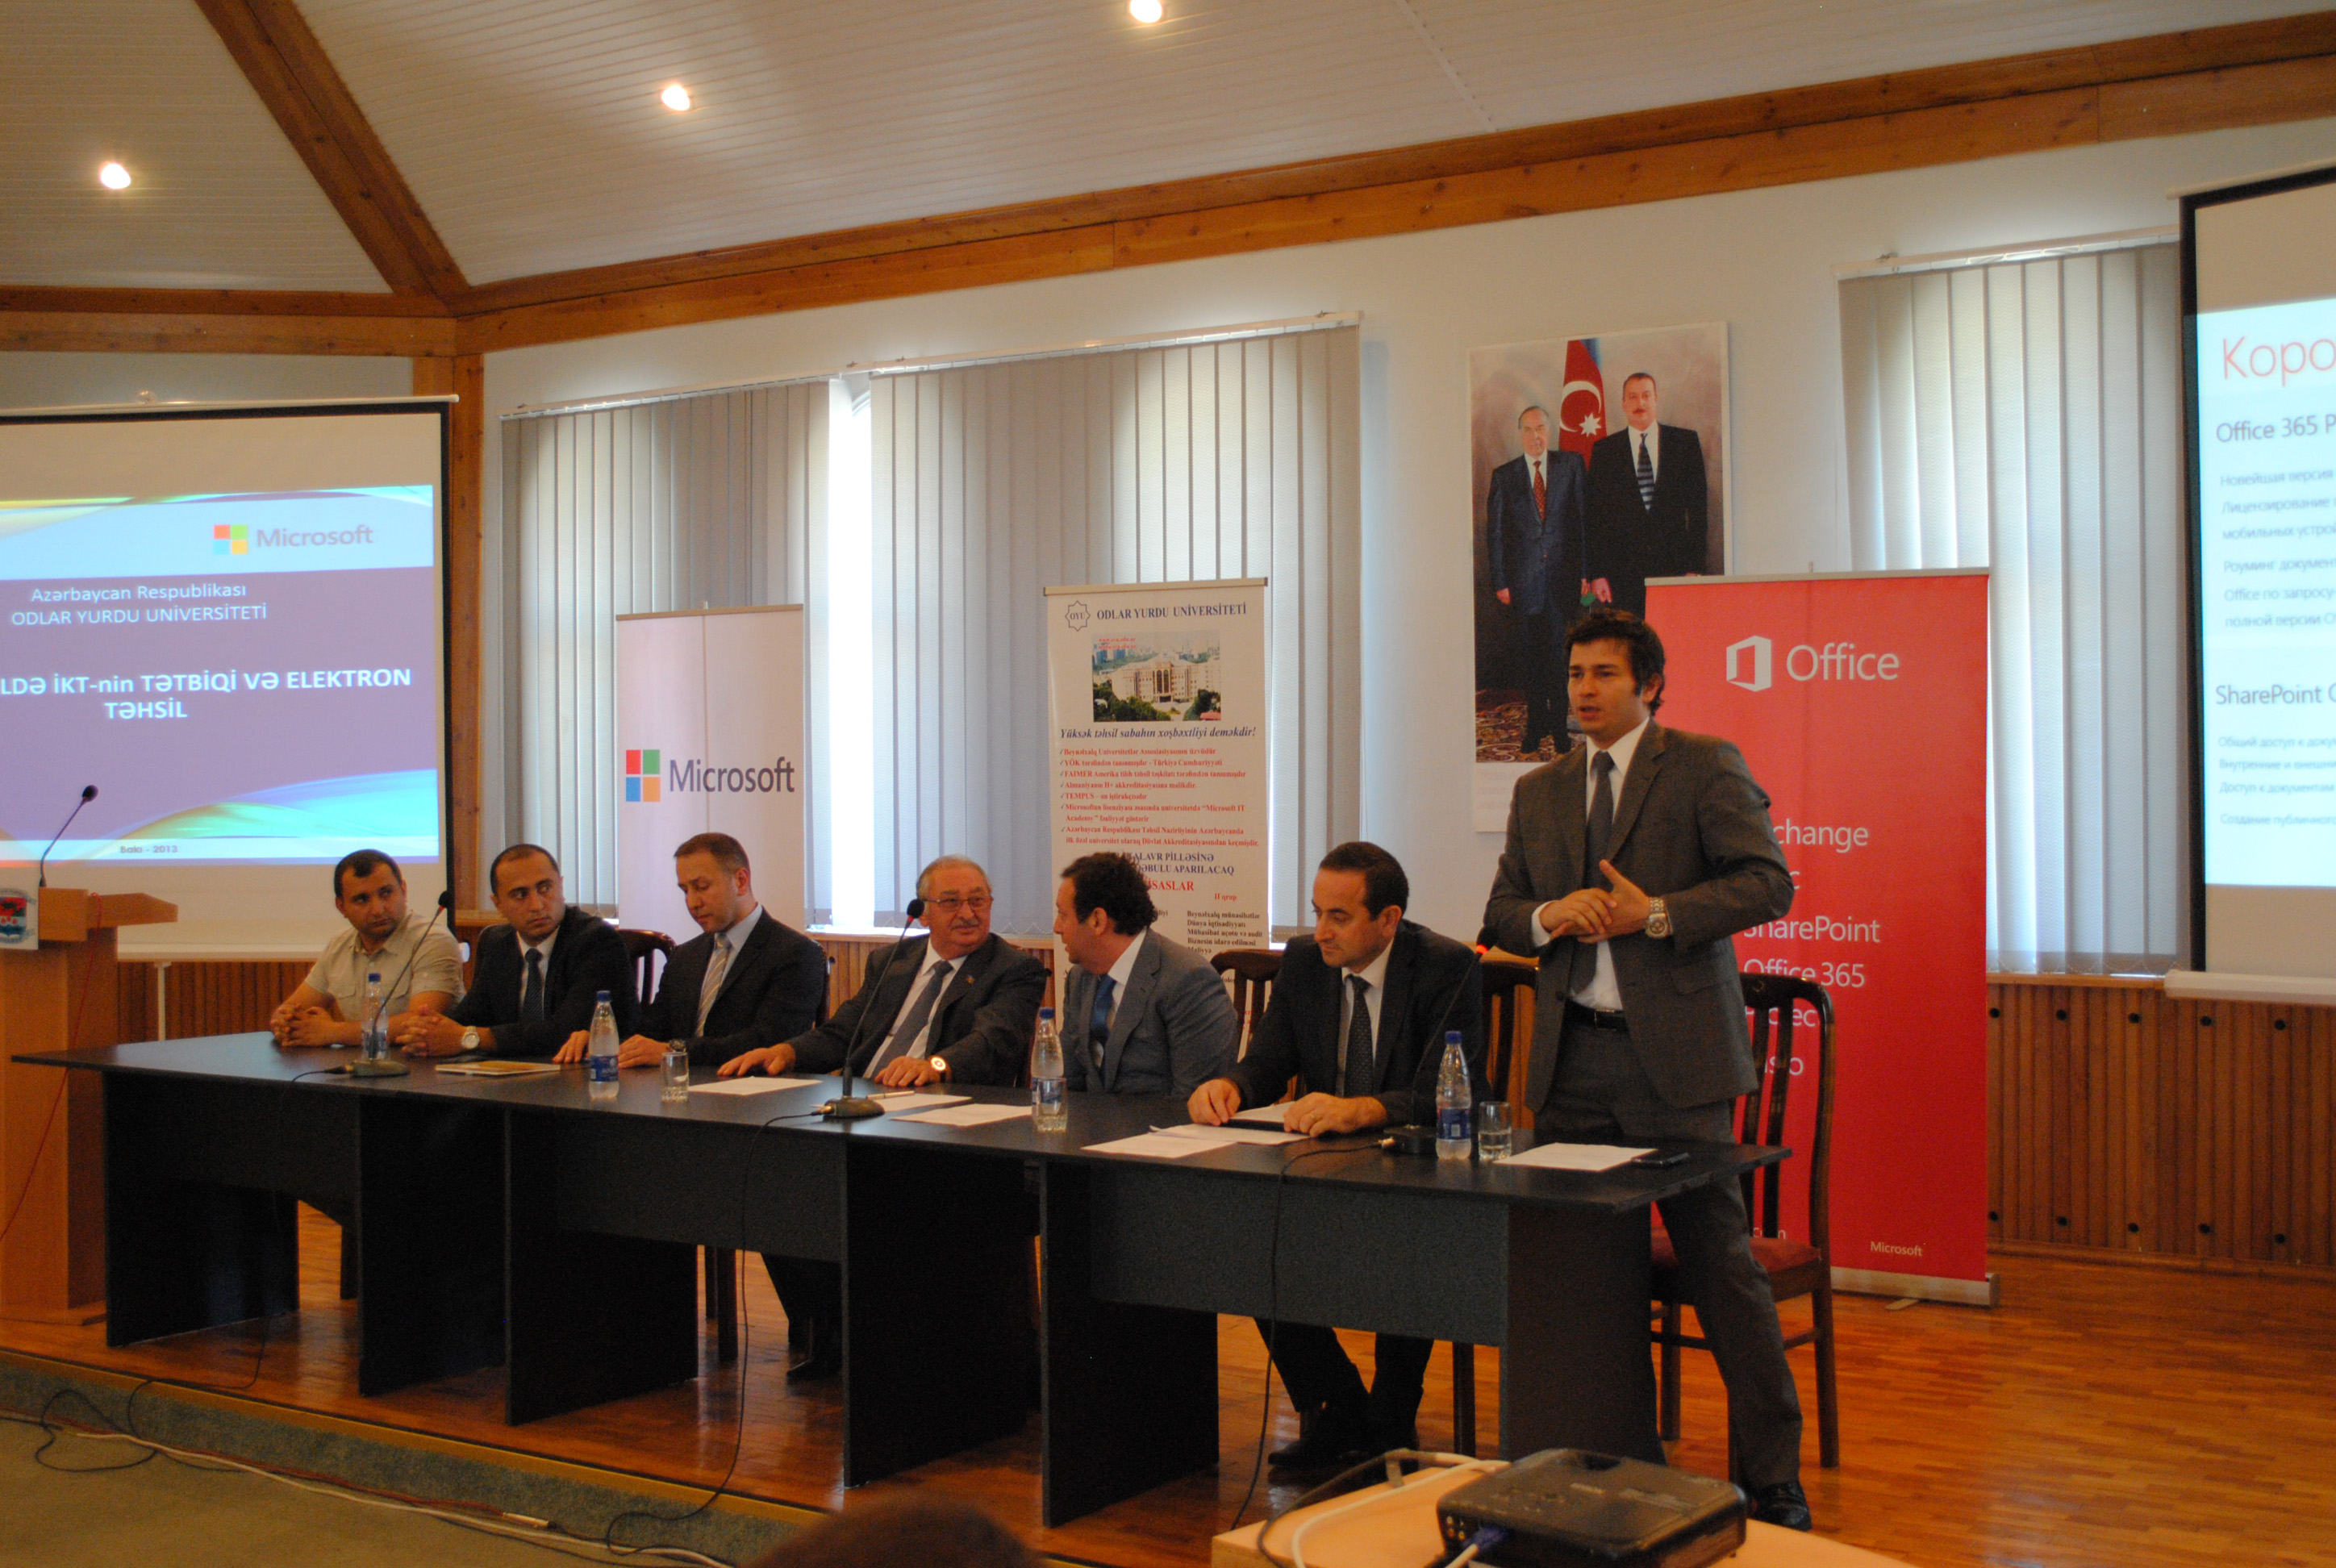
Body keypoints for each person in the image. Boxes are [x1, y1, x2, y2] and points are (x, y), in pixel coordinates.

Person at [1479, 607, 1809, 1531]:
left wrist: (1653, 914)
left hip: (1676, 1067)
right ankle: (1615, 1458)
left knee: (1722, 1271)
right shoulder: (1540, 789)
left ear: (1649, 685)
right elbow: (1501, 912)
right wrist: (1550, 916)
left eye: (1603, 674)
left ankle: (1772, 1474)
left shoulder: (1701, 764)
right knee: (1582, 1279)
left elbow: (1769, 883)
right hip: (1571, 1063)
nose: (1583, 689)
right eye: (1574, 673)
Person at [1188, 841, 1484, 1468]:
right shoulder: (1304, 962)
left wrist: (1365, 1108)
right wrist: (1232, 1086)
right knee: (1251, 1238)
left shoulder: (1445, 966)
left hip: (1415, 1170)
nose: (1321, 930)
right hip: (1324, 1166)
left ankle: (1391, 1420)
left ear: (1389, 919)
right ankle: (1337, 1403)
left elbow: (1448, 1091)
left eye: (1339, 917)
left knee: (1411, 1238)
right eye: (1316, 911)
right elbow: (1270, 1060)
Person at [720, 853, 1045, 1378]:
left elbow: (994, 1042)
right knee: (770, 1182)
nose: (968, 913)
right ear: (923, 910)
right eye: (952, 902)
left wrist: (934, 1065)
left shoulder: (1012, 969)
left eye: (978, 900)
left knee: (877, 1196)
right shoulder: (891, 962)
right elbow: (844, 1032)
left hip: (938, 1124)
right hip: (863, 1108)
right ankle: (836, 1328)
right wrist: (788, 1052)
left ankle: (882, 1341)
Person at [554, 832, 825, 1072]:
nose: (692, 902)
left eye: (702, 887)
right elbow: (650, 1033)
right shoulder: (685, 956)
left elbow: (769, 1041)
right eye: (685, 890)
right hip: (677, 1089)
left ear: (741, 881)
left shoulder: (796, 954)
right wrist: (603, 1041)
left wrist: (674, 1051)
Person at [391, 843, 636, 1058]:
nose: (537, 905)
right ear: (498, 904)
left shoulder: (596, 940)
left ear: (561, 886)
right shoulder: (497, 943)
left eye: (545, 888)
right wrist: (427, 1032)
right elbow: (472, 1014)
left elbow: (567, 1030)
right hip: (514, 1077)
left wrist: (469, 1038)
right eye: (520, 894)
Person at [1053, 852, 1238, 1100]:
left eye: (1063, 915)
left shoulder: (1189, 981)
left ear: (1097, 920)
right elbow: (1068, 1082)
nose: (1057, 927)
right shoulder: (1079, 979)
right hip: (1091, 1123)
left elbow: (1196, 1100)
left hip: (1162, 1124)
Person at [271, 849, 464, 1049]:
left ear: (403, 890)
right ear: (341, 906)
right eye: (362, 899)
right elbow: (290, 1009)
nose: (378, 910)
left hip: (423, 1065)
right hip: (361, 1064)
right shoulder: (339, 946)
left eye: (386, 893)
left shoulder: (433, 941)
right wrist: (286, 1022)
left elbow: (421, 1023)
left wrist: (333, 1032)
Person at [1486, 404, 1588, 757]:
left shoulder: (1570, 466)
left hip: (1562, 580)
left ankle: (1558, 727)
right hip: (1523, 584)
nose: (1536, 436)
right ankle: (1535, 725)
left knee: (1559, 658)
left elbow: (1582, 523)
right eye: (1528, 430)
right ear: (1520, 434)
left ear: (1550, 430)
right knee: (1531, 659)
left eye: (1541, 428)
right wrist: (1500, 581)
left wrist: (1585, 572)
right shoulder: (1505, 476)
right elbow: (1495, 534)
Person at [1584, 373, 1710, 619]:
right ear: (1623, 403)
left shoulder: (1684, 444)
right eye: (1632, 397)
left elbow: (1699, 511)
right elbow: (1595, 518)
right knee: (1629, 641)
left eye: (1645, 395)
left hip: (1676, 572)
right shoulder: (1605, 452)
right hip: (1622, 577)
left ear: (1656, 399)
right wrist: (1597, 574)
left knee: (1672, 637)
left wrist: (1695, 568)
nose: (1639, 403)